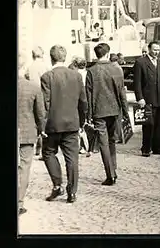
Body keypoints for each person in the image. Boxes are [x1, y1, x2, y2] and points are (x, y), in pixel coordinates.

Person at [40, 45, 87, 204]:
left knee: (48, 153)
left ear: (51, 58)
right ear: (65, 58)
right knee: (72, 158)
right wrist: (82, 121)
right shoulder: (76, 76)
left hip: (52, 124)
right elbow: (83, 102)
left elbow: (45, 103)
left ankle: (57, 184)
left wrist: (42, 125)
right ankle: (72, 192)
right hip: (72, 123)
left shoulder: (47, 77)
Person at [86, 43, 130, 186]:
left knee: (103, 143)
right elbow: (121, 91)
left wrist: (89, 116)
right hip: (114, 109)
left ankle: (110, 174)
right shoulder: (116, 69)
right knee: (111, 141)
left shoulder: (91, 71)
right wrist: (125, 110)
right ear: (108, 53)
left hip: (99, 111)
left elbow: (89, 94)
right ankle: (113, 168)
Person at [18, 52, 46, 215]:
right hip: (27, 131)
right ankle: (19, 202)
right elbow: (40, 113)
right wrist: (41, 130)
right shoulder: (33, 87)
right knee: (24, 167)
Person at [133, 41, 160, 157]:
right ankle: (146, 148)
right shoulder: (140, 62)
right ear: (149, 49)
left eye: (158, 50)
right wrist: (140, 98)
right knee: (148, 124)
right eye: (154, 50)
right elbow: (137, 82)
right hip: (148, 98)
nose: (156, 52)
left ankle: (158, 147)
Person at [25, 46, 50, 158]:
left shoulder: (29, 67)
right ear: (42, 54)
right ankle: (45, 147)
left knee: (36, 119)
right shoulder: (45, 66)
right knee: (43, 120)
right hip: (43, 95)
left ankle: (38, 148)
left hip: (32, 95)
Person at [70, 57, 91, 156]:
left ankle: (80, 145)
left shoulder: (74, 75)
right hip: (87, 100)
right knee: (85, 123)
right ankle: (86, 145)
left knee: (79, 124)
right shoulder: (87, 73)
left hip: (77, 101)